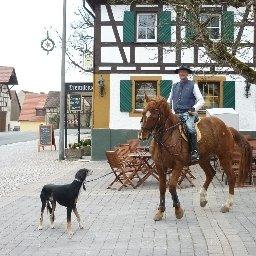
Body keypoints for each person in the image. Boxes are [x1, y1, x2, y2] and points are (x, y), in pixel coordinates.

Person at [167, 64, 205, 163]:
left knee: (190, 128)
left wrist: (194, 109)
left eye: (184, 71)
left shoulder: (193, 85)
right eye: (180, 71)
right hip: (175, 114)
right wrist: (169, 111)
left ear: (187, 73)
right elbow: (168, 101)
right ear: (178, 73)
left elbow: (201, 101)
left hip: (188, 113)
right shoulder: (174, 86)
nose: (182, 73)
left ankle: (194, 152)